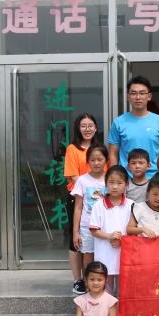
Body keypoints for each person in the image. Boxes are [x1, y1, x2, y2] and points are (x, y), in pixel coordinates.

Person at [63, 113, 104, 293]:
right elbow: (73, 176)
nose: (87, 129)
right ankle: (78, 280)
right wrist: (90, 186)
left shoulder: (101, 149)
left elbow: (106, 175)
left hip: (99, 199)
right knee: (77, 240)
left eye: (90, 125)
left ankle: (94, 277)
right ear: (78, 128)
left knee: (95, 238)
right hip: (78, 198)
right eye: (83, 126)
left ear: (96, 128)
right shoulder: (72, 149)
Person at [107, 76, 159, 176]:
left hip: (154, 179)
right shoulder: (118, 122)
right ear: (128, 96)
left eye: (142, 93)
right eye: (133, 93)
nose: (138, 97)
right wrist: (114, 177)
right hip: (127, 179)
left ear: (149, 96)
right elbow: (113, 154)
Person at [88, 165, 134, 297]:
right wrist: (109, 236)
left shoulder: (131, 205)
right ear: (106, 183)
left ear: (126, 184)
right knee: (105, 289)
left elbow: (134, 230)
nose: (114, 187)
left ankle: (120, 311)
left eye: (119, 183)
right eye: (111, 182)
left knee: (123, 290)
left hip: (124, 253)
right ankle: (107, 310)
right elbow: (94, 230)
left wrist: (122, 240)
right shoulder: (98, 205)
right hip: (104, 254)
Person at [70, 145, 108, 295]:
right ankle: (88, 285)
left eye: (100, 159)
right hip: (87, 227)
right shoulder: (82, 180)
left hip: (106, 226)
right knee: (88, 256)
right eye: (92, 160)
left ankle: (104, 285)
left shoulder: (110, 179)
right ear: (87, 161)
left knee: (105, 255)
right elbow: (78, 207)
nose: (96, 163)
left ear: (106, 160)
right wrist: (76, 232)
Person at [127, 172, 159, 238]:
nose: (158, 198)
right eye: (155, 194)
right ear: (148, 191)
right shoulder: (140, 207)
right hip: (142, 243)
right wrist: (143, 229)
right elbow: (129, 229)